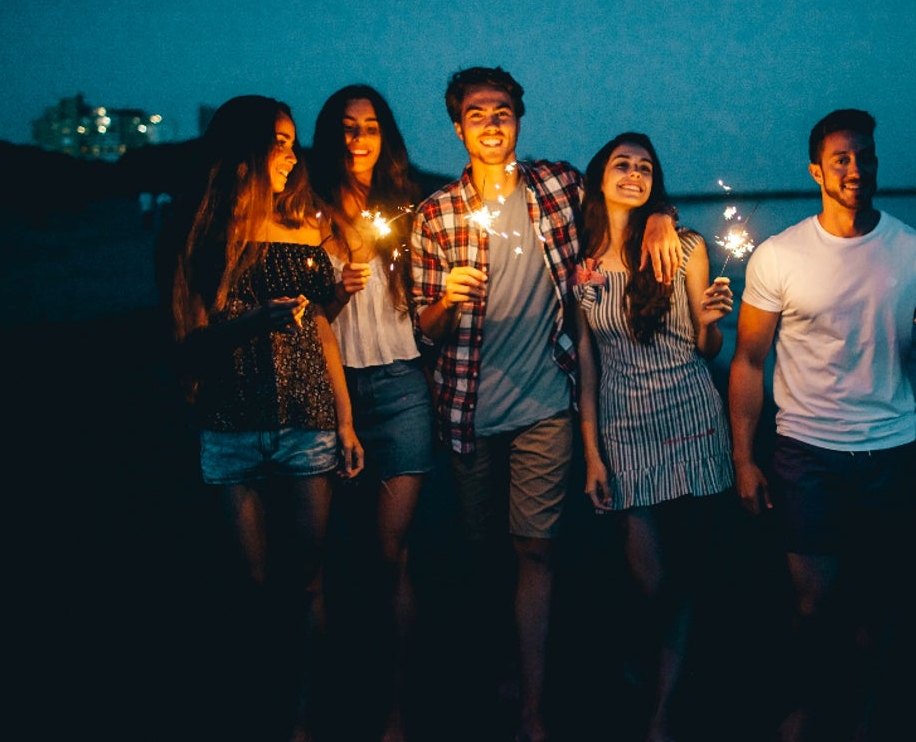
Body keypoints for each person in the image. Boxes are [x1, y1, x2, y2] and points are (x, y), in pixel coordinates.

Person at [409, 67, 682, 742]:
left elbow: (626, 194)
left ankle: (533, 707)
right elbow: (424, 327)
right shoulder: (436, 214)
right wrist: (450, 298)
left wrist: (660, 222)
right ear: (458, 127)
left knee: (537, 553)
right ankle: (501, 660)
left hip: (547, 405)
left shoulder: (558, 184)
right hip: (468, 406)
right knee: (484, 554)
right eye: (477, 114)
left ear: (519, 119)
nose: (492, 123)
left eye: (503, 111)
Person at [727, 109, 916, 741]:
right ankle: (807, 712)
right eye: (841, 158)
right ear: (816, 171)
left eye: (865, 156)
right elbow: (750, 360)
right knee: (813, 607)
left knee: (876, 610)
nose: (856, 168)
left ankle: (858, 723)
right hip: (807, 453)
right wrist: (744, 459)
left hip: (891, 452)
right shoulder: (780, 256)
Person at [170, 95, 365, 742]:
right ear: (245, 149)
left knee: (308, 583)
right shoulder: (199, 232)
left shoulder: (307, 231)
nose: (290, 153)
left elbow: (325, 334)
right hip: (230, 425)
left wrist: (346, 422)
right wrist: (253, 321)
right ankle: (255, 709)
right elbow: (189, 340)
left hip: (309, 420)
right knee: (252, 586)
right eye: (277, 142)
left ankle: (302, 722)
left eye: (290, 141)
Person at [574, 133, 735, 742]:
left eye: (645, 168)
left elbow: (707, 347)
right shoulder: (583, 265)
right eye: (623, 165)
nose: (635, 174)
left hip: (692, 421)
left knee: (687, 574)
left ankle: (662, 715)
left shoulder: (686, 247)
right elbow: (587, 361)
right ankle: (645, 655)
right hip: (622, 431)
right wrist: (591, 452)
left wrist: (713, 321)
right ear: (601, 178)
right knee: (652, 580)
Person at [309, 84, 435, 742]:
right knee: (328, 555)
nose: (359, 138)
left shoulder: (407, 208)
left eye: (371, 126)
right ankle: (329, 694)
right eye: (347, 127)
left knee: (392, 554)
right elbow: (310, 317)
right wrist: (333, 291)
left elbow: (427, 303)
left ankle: (394, 708)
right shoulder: (309, 208)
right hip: (332, 388)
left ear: (386, 135)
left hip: (402, 385)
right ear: (331, 136)